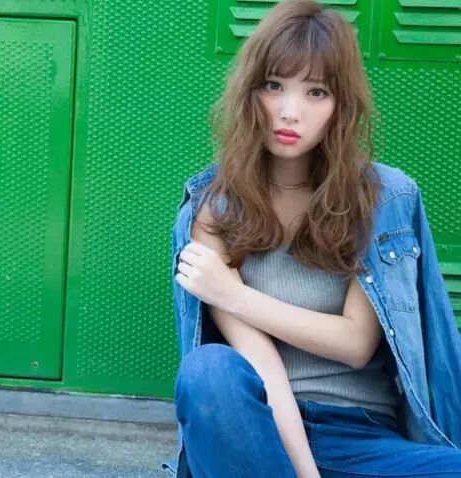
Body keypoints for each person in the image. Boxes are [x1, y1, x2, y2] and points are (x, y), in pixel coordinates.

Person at [166, 0, 461, 477]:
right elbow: (261, 362)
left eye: (316, 92)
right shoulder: (213, 207)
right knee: (208, 371)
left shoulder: (382, 198)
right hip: (256, 432)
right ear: (249, 91)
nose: (289, 112)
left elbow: (355, 343)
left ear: (340, 105)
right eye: (274, 85)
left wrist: (234, 295)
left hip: (363, 437)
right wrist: (305, 472)